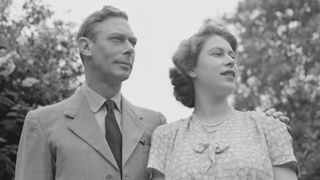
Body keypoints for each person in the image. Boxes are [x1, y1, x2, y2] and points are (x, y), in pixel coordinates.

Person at [15, 6, 166, 180]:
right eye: (117, 40)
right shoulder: (42, 123)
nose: (129, 49)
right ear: (85, 47)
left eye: (132, 42)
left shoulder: (155, 124)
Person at [147, 22, 298, 179]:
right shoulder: (165, 137)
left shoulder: (269, 127)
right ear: (192, 68)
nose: (230, 61)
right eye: (217, 54)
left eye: (232, 56)